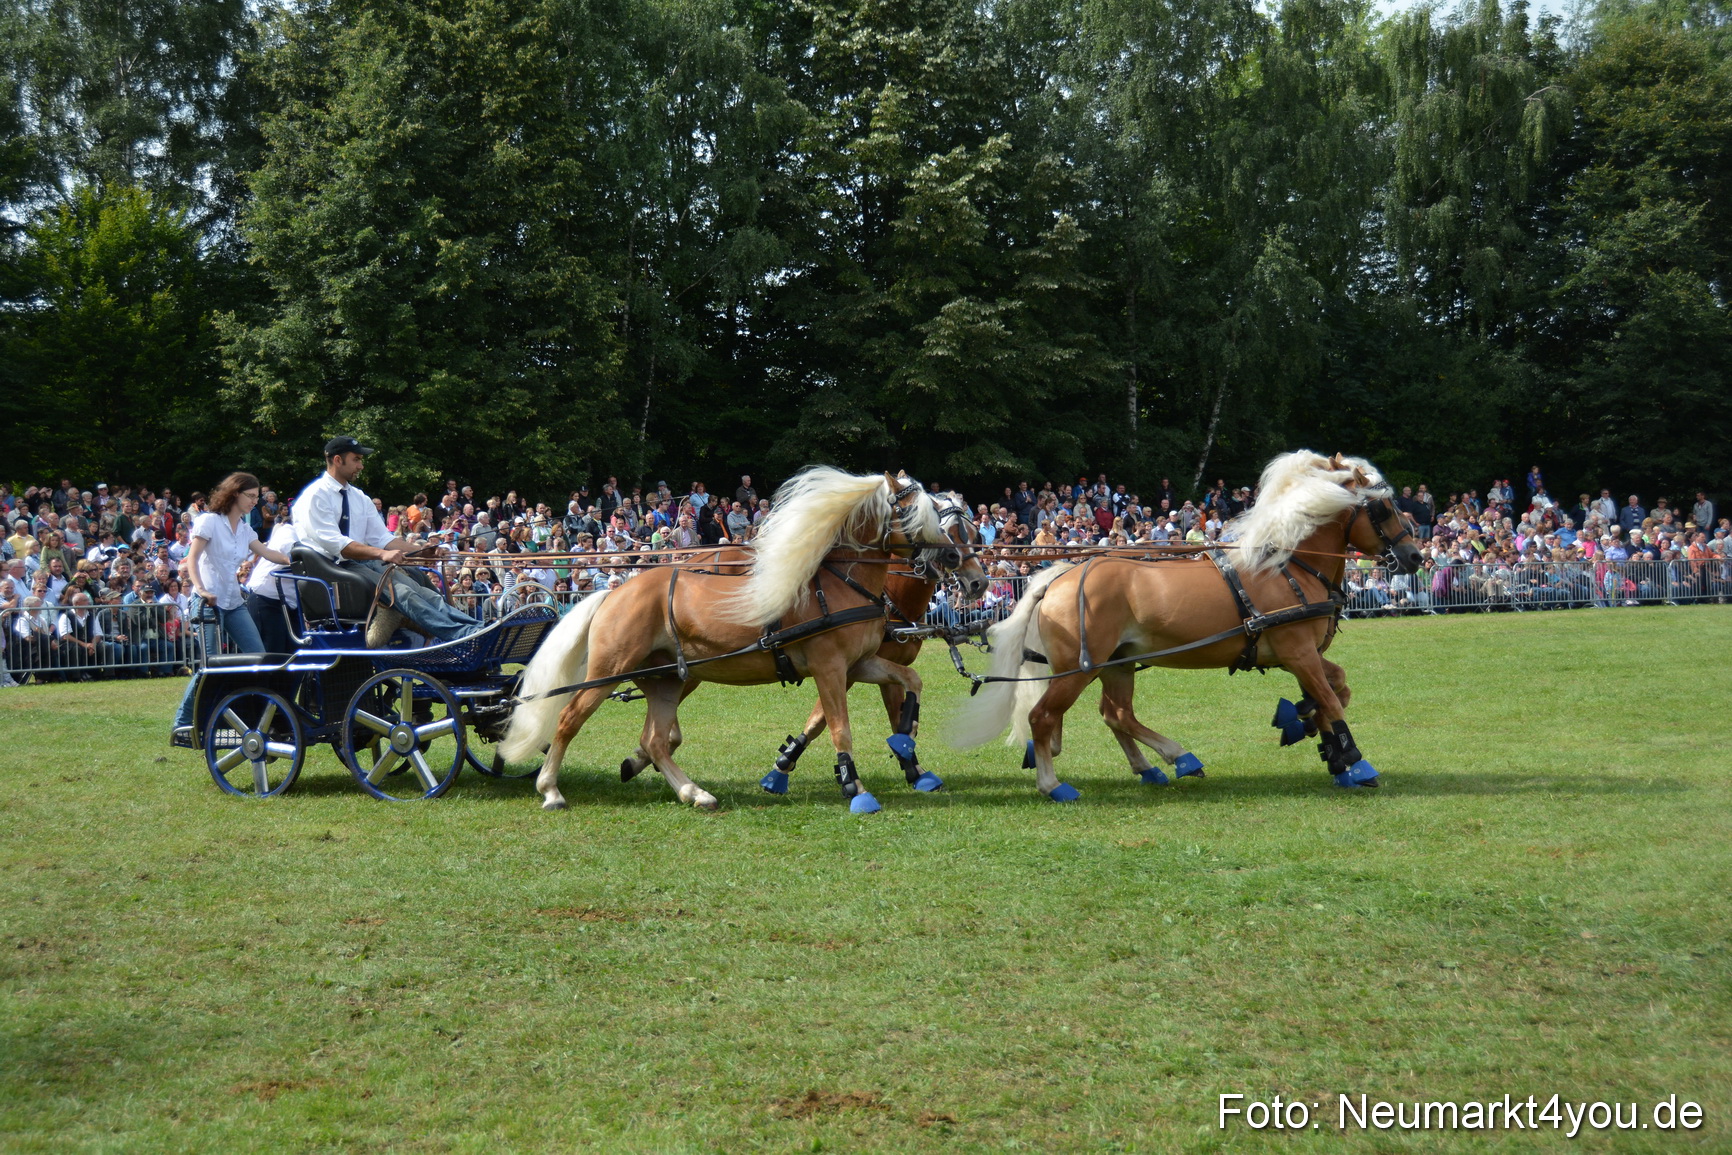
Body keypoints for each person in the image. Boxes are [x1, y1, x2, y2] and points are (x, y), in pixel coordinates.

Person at [291, 436, 484, 648]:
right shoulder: (314, 497)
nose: (361, 466)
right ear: (338, 460)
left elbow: (382, 539)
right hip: (334, 570)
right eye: (356, 459)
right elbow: (337, 545)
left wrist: (422, 551)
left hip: (362, 563)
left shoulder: (358, 497)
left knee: (425, 592)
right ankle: (463, 636)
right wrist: (381, 554)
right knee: (404, 593)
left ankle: (476, 628)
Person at [171, 473, 294, 738]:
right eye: (250, 496)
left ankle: (237, 715)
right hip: (207, 603)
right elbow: (191, 559)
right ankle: (182, 724)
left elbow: (268, 553)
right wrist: (201, 589)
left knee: (258, 658)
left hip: (234, 603)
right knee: (210, 667)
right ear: (234, 494)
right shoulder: (209, 522)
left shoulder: (246, 529)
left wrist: (300, 558)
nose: (254, 501)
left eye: (256, 496)